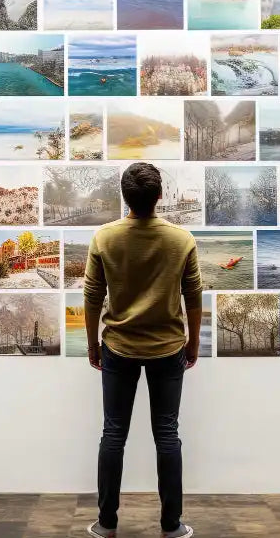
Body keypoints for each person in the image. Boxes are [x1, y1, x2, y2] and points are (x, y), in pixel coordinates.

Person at [84, 162, 202, 538]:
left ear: (125, 196)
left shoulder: (105, 238)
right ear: (160, 196)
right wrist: (194, 341)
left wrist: (92, 344)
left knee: (113, 434)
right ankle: (171, 525)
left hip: (118, 346)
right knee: (167, 434)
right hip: (168, 349)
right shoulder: (181, 240)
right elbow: (193, 296)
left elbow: (91, 296)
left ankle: (106, 523)